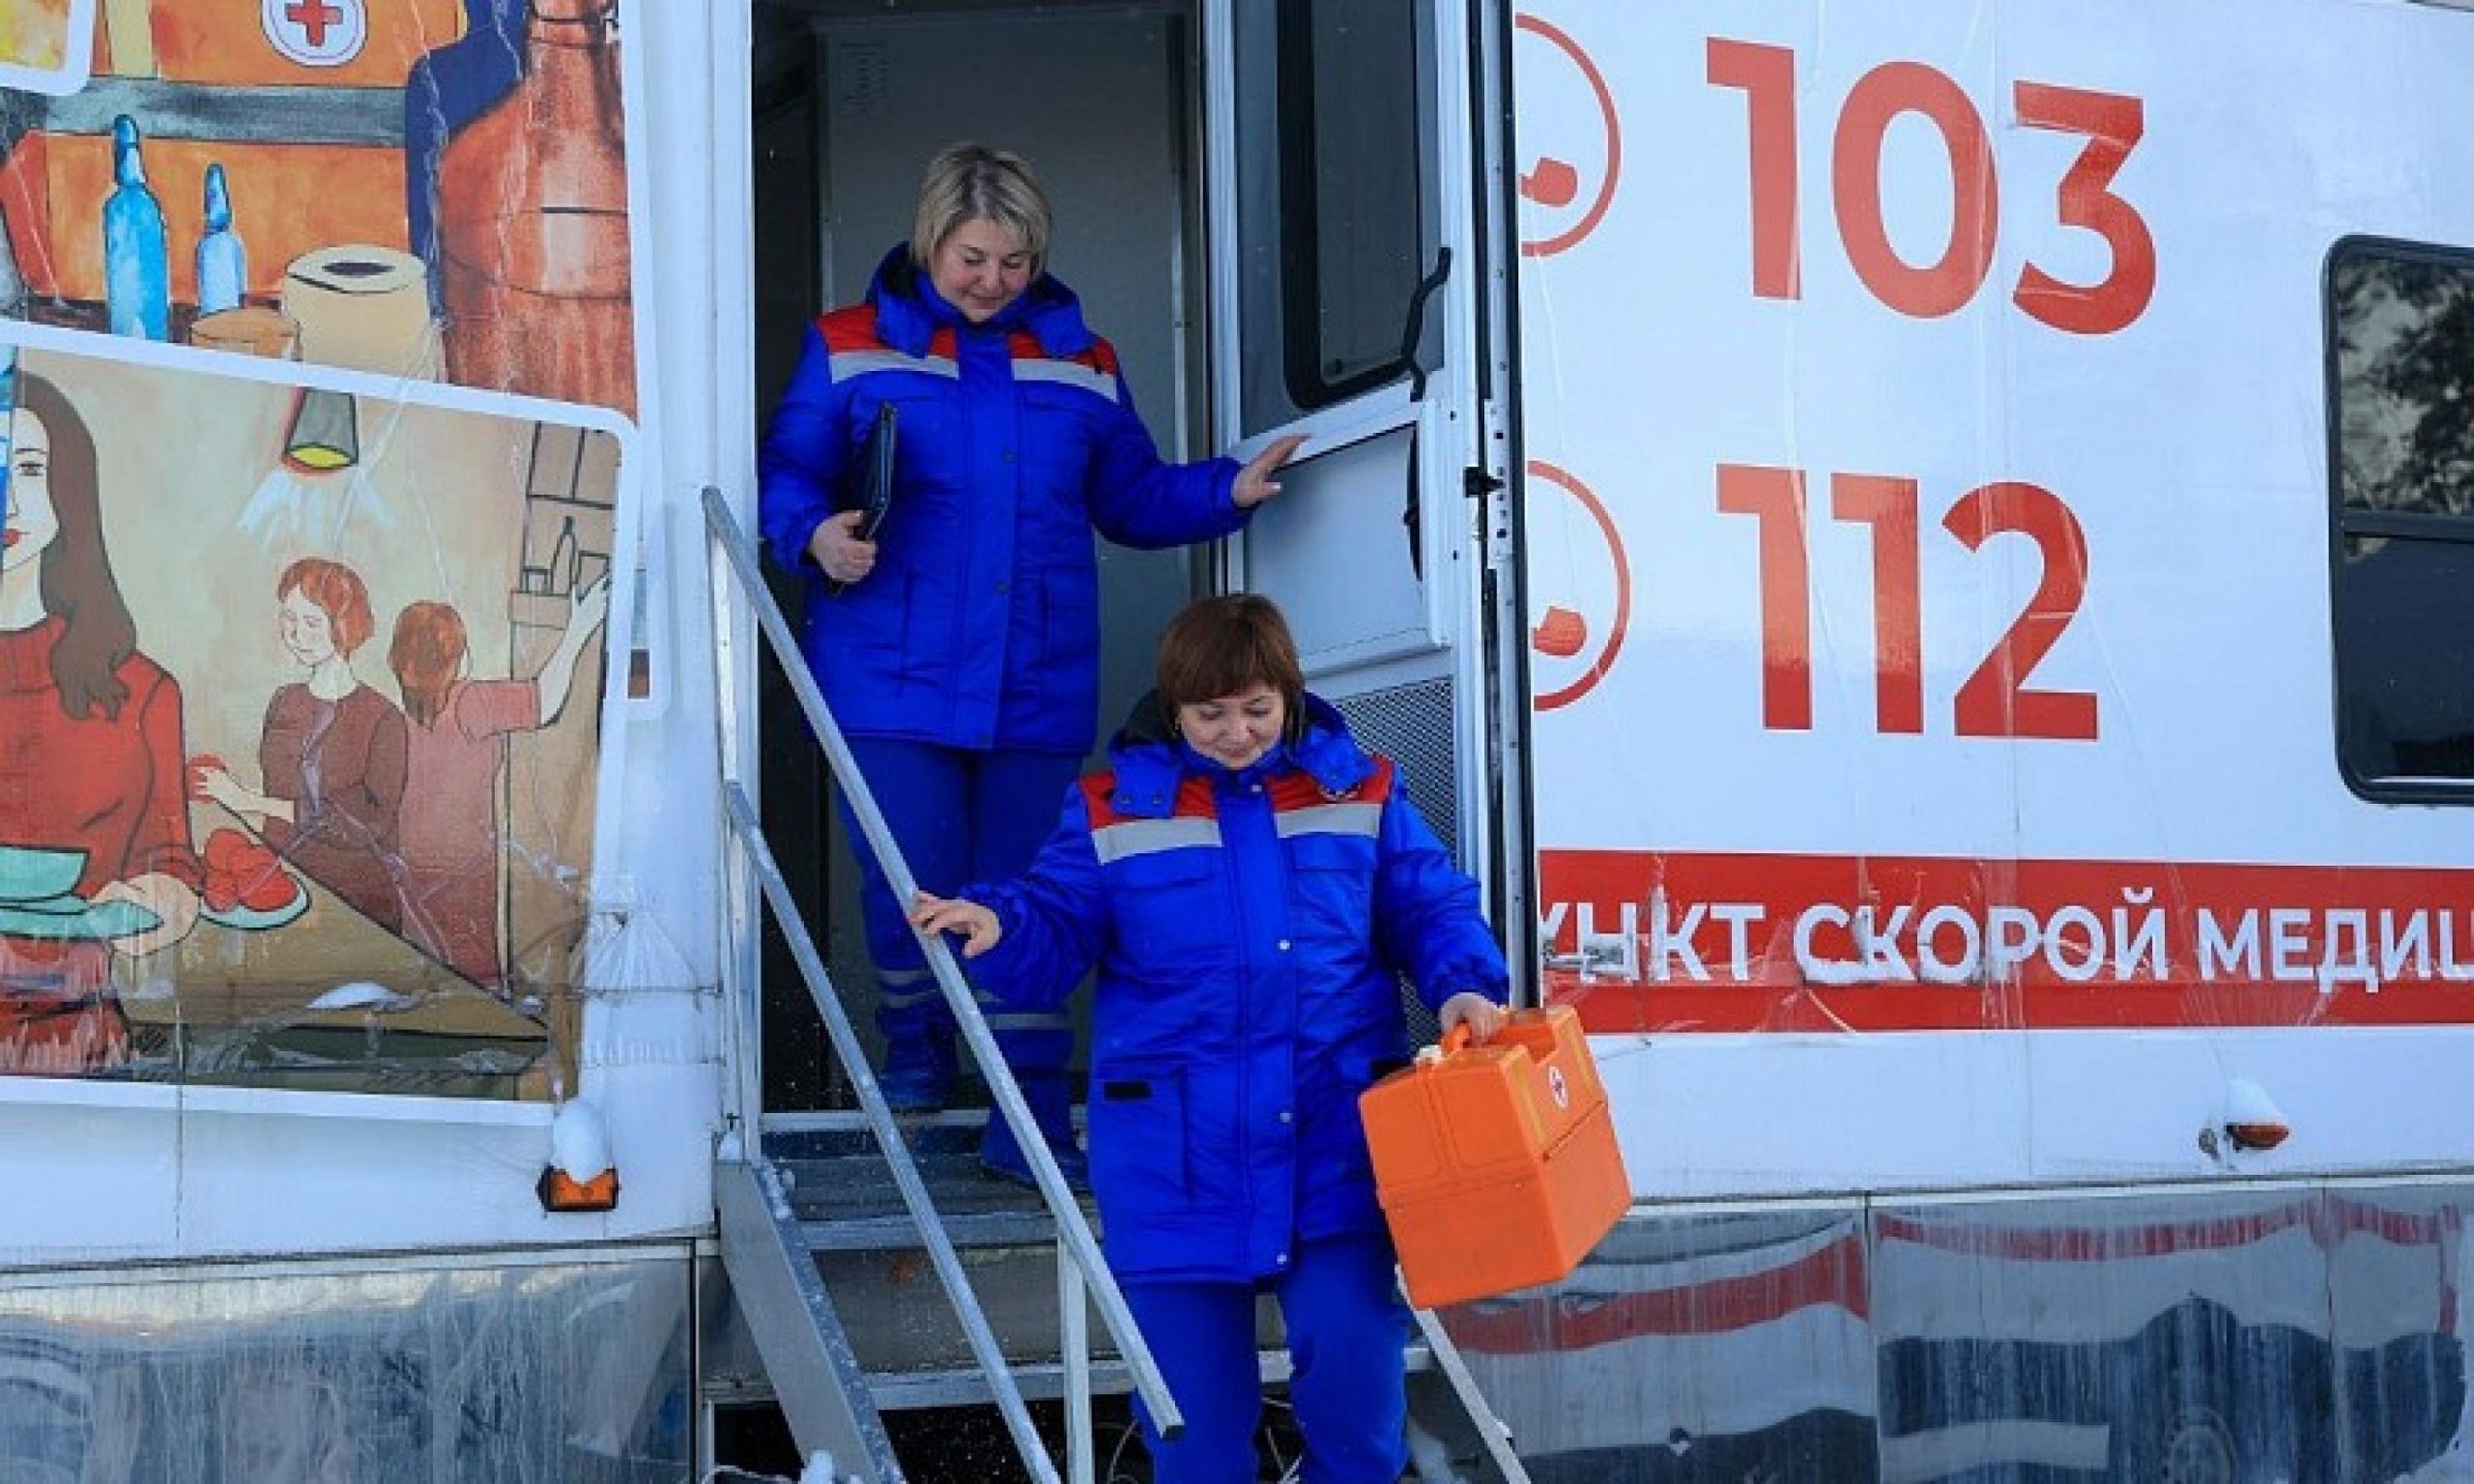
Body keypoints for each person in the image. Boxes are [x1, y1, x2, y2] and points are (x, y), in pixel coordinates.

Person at [758, 142, 1303, 1185]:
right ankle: (918, 1059)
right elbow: (788, 469)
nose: (991, 281)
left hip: (1034, 678)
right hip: (887, 677)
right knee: (913, 882)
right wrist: (814, 535)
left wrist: (1224, 491)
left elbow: (1130, 496)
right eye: (971, 258)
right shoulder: (847, 344)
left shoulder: (1083, 360)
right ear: (930, 241)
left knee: (1030, 896)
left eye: (1013, 262)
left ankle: (1028, 1127)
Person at [912, 594, 1510, 1483]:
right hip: (1172, 1166)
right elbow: (1056, 921)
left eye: (1258, 709)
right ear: (1173, 707)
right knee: (1194, 1438)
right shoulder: (1108, 811)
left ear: (1290, 695)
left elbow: (1430, 904)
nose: (1237, 733)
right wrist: (1003, 925)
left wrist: (1464, 982)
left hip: (1337, 1152)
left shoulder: (1367, 791)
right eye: (1210, 714)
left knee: (1359, 1420)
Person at [0, 372, 204, 1072]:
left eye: (30, 468)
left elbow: (172, 864)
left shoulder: (143, 692)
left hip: (76, 1047)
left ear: (69, 489)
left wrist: (165, 901)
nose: (8, 497)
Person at [386, 575, 610, 995]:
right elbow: (544, 700)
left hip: (409, 869)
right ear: (454, 658)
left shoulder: (396, 718)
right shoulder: (471, 704)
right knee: (474, 979)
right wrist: (579, 628)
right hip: (466, 870)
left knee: (426, 974)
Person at [197, 558, 414, 935]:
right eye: (289, 619)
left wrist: (243, 799)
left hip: (357, 901)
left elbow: (363, 823)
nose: (296, 635)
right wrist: (227, 797)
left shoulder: (383, 719)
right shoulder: (284, 702)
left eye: (312, 623)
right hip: (286, 886)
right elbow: (279, 812)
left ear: (346, 626)